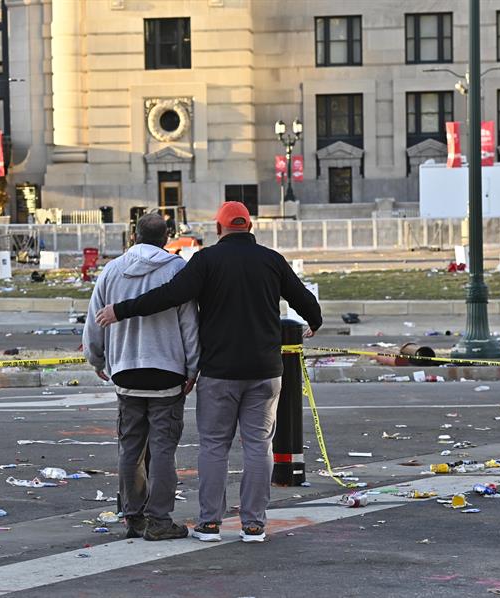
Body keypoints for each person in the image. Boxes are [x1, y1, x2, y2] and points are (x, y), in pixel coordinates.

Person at [95, 201, 321, 543]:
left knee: (214, 446)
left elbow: (169, 297)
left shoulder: (206, 261)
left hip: (219, 372)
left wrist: (120, 311)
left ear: (219, 229)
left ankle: (210, 523)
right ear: (249, 227)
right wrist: (314, 321)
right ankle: (254, 524)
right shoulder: (272, 260)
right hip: (265, 371)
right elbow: (303, 299)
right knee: (259, 445)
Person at [83, 212, 200, 541]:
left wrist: (96, 358)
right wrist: (193, 368)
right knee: (163, 448)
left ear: (133, 236)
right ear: (166, 238)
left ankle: (133, 517)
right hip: (167, 371)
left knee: (130, 447)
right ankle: (160, 520)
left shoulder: (112, 270)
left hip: (126, 371)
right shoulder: (177, 270)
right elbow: (189, 325)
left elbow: (95, 320)